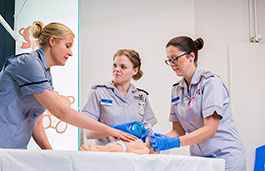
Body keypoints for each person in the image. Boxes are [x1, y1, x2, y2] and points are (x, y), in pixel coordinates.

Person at [0, 21, 136, 149]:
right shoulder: (28, 64)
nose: (70, 53)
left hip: (15, 149)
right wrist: (108, 129)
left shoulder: (45, 73)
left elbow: (36, 121)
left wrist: (50, 153)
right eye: (67, 46)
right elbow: (61, 111)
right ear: (52, 41)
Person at [147, 36, 246, 171]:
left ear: (191, 56)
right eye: (169, 60)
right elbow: (178, 130)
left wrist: (173, 143)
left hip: (226, 158)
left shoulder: (211, 83)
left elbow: (210, 129)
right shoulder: (177, 90)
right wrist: (159, 140)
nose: (171, 63)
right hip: (201, 159)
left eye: (175, 58)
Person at [81, 49, 157, 145]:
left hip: (133, 156)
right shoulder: (99, 92)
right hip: (108, 155)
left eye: (123, 67)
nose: (116, 69)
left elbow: (148, 131)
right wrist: (112, 130)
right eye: (115, 65)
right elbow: (89, 133)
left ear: (135, 70)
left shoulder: (142, 97)